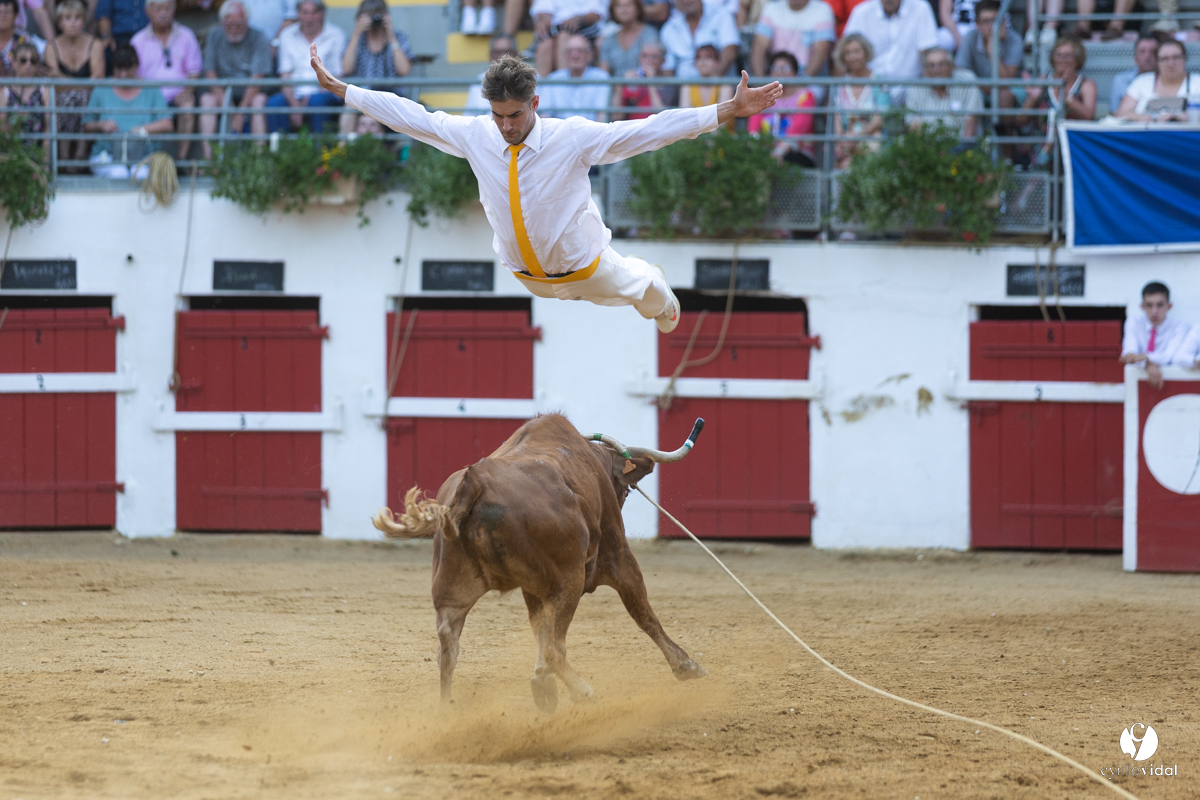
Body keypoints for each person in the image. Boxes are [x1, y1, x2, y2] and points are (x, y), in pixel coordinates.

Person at [312, 47, 783, 331]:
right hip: (528, 278)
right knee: (435, 124)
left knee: (640, 287)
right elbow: (412, 116)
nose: (504, 126)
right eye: (497, 115)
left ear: (534, 103)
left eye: (514, 115)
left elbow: (648, 130)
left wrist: (723, 111)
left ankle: (661, 294)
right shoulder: (477, 134)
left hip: (586, 269)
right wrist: (346, 91)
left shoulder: (570, 136)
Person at [84, 44, 173, 177]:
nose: (123, 75)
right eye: (119, 70)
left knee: (140, 174)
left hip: (145, 156)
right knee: (118, 173)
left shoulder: (151, 89)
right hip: (106, 155)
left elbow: (167, 124)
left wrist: (141, 130)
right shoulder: (101, 89)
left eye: (128, 69)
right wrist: (101, 125)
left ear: (137, 66)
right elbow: (86, 125)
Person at [198, 0, 272, 160]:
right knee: (206, 101)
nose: (233, 28)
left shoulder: (259, 37)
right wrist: (230, 108)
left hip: (250, 91)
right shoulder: (214, 35)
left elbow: (257, 80)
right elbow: (210, 73)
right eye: (229, 24)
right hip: (223, 92)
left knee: (258, 102)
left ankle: (259, 161)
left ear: (247, 21)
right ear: (222, 22)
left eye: (238, 24)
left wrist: (240, 111)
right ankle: (209, 161)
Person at [131, 0, 202, 160]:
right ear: (147, 11)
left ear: (174, 9)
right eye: (157, 9)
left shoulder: (187, 35)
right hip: (149, 96)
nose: (163, 13)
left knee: (188, 106)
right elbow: (134, 76)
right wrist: (149, 96)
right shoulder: (137, 40)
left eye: (167, 8)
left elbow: (194, 70)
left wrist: (188, 90)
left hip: (179, 94)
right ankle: (144, 160)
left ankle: (181, 160)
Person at [266, 0, 345, 132]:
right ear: (298, 14)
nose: (309, 18)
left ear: (322, 14)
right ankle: (278, 149)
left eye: (314, 13)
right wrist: (294, 104)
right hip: (294, 94)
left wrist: (310, 99)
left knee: (317, 102)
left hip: (325, 91)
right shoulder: (287, 35)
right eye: (305, 13)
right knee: (273, 104)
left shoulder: (336, 35)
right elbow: (285, 75)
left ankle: (322, 150)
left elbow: (338, 75)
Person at [43, 0, 104, 170]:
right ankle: (64, 156)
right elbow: (53, 84)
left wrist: (63, 78)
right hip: (62, 98)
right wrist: (83, 83)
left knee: (84, 98)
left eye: (77, 18)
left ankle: (80, 154)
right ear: (60, 22)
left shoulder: (95, 44)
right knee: (63, 99)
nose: (72, 22)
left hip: (89, 98)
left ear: (83, 21)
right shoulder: (51, 46)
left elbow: (98, 82)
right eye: (67, 18)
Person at [1015, 38, 1094, 168]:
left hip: (1075, 144)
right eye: (1058, 55)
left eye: (1067, 55)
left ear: (1077, 59)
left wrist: (1067, 97)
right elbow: (1021, 120)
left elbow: (1089, 117)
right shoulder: (1043, 81)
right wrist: (1032, 98)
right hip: (1043, 145)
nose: (1061, 59)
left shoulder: (1086, 85)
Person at [337, 0, 412, 133]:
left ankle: (394, 152)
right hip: (362, 93)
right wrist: (356, 34)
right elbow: (346, 68)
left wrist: (390, 35)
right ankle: (343, 149)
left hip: (391, 94)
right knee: (350, 105)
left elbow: (404, 70)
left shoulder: (398, 37)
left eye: (377, 15)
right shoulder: (357, 39)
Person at [842, 0, 937, 101]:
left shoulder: (921, 8)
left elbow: (928, 54)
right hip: (870, 90)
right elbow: (846, 52)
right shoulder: (861, 12)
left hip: (911, 89)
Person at [747, 51, 815, 165]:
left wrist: (779, 152)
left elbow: (798, 130)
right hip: (765, 150)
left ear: (795, 73)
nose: (781, 72)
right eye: (776, 68)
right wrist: (758, 149)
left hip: (796, 151)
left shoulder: (806, 97)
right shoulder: (762, 96)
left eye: (786, 68)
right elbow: (753, 128)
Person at [1120, 282, 1193, 390]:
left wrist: (1146, 358)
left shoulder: (1180, 327)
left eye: (1159, 305)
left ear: (1169, 306)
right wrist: (1148, 365)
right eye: (1149, 305)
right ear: (1142, 306)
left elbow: (1171, 356)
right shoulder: (1133, 323)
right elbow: (1130, 354)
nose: (1154, 311)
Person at [954, 0, 1022, 114]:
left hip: (1012, 89)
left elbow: (1007, 81)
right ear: (977, 24)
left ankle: (1004, 130)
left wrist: (993, 52)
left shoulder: (1014, 40)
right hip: (978, 88)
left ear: (1004, 21)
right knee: (968, 91)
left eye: (995, 21)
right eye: (986, 21)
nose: (991, 26)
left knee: (1003, 94)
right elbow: (960, 71)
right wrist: (980, 85)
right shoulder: (970, 37)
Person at [832, 32, 888, 168]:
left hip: (872, 138)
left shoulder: (879, 82)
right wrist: (840, 141)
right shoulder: (839, 85)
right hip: (846, 141)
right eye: (848, 53)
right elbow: (837, 118)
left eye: (857, 51)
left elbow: (880, 118)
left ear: (866, 53)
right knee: (843, 163)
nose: (852, 57)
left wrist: (855, 138)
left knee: (851, 164)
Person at [1114, 40, 1200, 123]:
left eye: (1176, 57)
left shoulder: (1197, 82)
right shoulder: (1142, 81)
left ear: (1185, 58)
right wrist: (1142, 118)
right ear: (1157, 62)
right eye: (1164, 58)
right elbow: (1121, 113)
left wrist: (1185, 117)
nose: (1170, 63)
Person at [904, 47, 981, 136]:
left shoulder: (966, 81)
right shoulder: (916, 88)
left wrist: (963, 147)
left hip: (960, 145)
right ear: (924, 70)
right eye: (931, 65)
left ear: (951, 66)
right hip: (928, 145)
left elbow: (971, 121)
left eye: (942, 64)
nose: (937, 70)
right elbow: (914, 127)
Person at [749, 0, 834, 80]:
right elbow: (758, 48)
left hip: (810, 83)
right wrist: (760, 83)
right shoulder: (771, 8)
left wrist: (800, 85)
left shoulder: (822, 10)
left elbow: (820, 53)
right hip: (775, 79)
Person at [539, 34, 611, 121]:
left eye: (580, 51)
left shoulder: (601, 78)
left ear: (589, 55)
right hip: (560, 132)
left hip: (591, 132)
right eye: (570, 51)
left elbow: (602, 117)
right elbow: (545, 116)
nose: (575, 55)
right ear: (565, 56)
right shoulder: (552, 79)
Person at [660, 0, 739, 79]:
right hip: (683, 87)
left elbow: (730, 51)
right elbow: (668, 67)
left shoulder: (721, 14)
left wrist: (713, 82)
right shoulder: (669, 28)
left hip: (720, 85)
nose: (686, 1)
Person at [530, 0, 606, 76]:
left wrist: (579, 19)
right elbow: (542, 10)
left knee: (564, 37)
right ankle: (540, 86)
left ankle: (564, 82)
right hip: (555, 30)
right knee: (545, 43)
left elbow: (596, 14)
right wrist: (545, 20)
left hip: (586, 30)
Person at [598, 0, 662, 80]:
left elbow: (652, 68)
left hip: (643, 88)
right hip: (616, 90)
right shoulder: (608, 40)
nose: (624, 9)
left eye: (628, 5)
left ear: (638, 9)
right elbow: (603, 75)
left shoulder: (649, 34)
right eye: (618, 6)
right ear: (613, 11)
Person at [1, 41, 47, 147]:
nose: (28, 65)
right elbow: (2, 128)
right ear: (14, 62)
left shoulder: (45, 89)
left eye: (33, 61)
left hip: (38, 151)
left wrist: (45, 160)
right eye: (23, 60)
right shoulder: (5, 91)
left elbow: (49, 128)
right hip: (12, 150)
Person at [681, 42, 734, 131]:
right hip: (694, 139)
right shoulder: (687, 86)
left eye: (708, 57)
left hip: (721, 139)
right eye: (699, 58)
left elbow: (723, 122)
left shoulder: (725, 86)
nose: (703, 62)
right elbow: (685, 118)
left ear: (717, 62)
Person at [611, 39, 669, 120]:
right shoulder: (631, 81)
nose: (648, 61)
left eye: (654, 57)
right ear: (639, 57)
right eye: (644, 56)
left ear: (663, 61)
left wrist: (651, 83)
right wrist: (621, 86)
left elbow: (663, 117)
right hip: (632, 128)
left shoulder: (669, 83)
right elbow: (616, 117)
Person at [466, 34, 519, 114]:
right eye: (497, 52)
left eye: (507, 52)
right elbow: (469, 117)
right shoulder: (479, 81)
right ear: (490, 55)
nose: (502, 57)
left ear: (516, 54)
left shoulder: (528, 80)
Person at [1110, 34, 1160, 114]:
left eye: (1152, 52)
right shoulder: (1120, 80)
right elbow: (1114, 112)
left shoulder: (1168, 79)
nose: (1147, 57)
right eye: (1142, 51)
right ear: (1135, 57)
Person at [96, 0, 150, 72]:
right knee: (107, 52)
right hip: (119, 36)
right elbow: (103, 14)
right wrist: (107, 36)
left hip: (147, 36)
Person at [0, 0, 34, 77]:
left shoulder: (24, 40)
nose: (3, 16)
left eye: (7, 12)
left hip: (16, 87)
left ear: (15, 15)